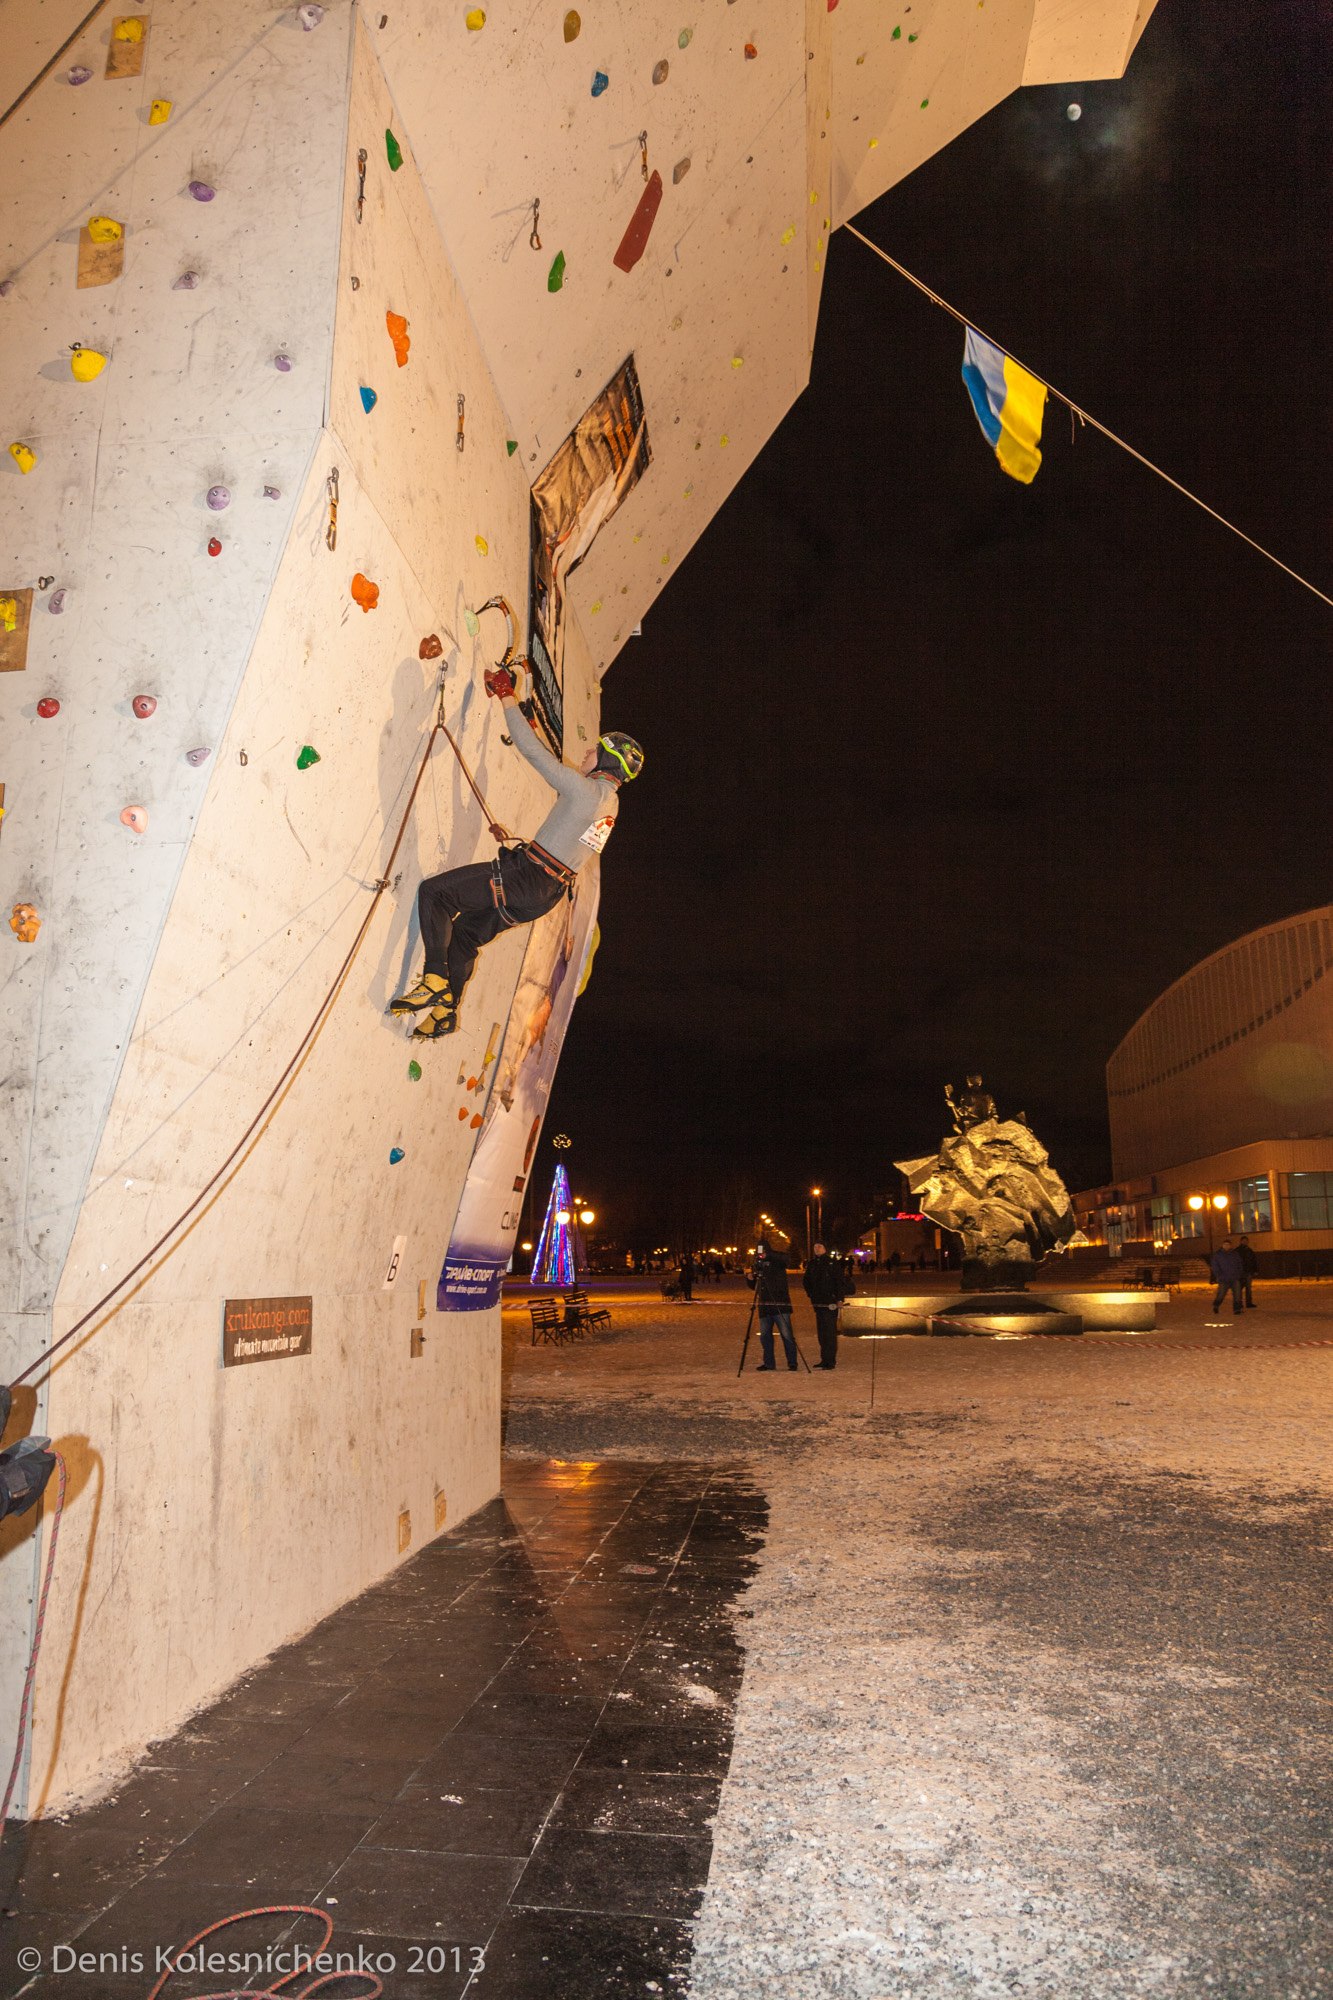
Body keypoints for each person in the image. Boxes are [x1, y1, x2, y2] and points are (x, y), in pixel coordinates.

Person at [390, 662, 643, 1040]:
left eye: (597, 749)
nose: (588, 751)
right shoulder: (610, 805)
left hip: (526, 878)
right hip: (544, 892)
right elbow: (568, 839)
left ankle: (435, 980)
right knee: (464, 935)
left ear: (607, 761)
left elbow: (530, 750)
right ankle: (445, 1012)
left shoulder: (586, 792)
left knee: (435, 893)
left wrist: (507, 695)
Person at [749, 1242, 797, 1371]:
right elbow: (754, 1285)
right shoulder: (758, 1263)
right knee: (765, 1336)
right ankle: (769, 1363)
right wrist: (750, 1278)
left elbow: (786, 1259)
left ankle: (792, 1362)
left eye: (763, 1251)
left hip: (780, 1303)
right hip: (764, 1304)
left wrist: (769, 1255)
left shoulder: (777, 1261)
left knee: (786, 1335)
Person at [802, 1242, 849, 1370]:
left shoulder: (832, 1263)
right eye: (815, 1247)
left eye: (820, 1246)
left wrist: (839, 1299)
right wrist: (811, 1294)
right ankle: (824, 1359)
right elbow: (806, 1281)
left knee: (829, 1333)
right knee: (822, 1333)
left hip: (830, 1302)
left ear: (825, 1248)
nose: (817, 1249)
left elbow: (839, 1282)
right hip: (818, 1302)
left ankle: (830, 1360)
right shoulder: (812, 1264)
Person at [1208, 1237, 1244, 1318]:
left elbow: (1240, 1264)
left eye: (1228, 1245)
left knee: (1238, 1294)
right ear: (1222, 1245)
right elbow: (1215, 1266)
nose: (1227, 1246)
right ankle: (1216, 1305)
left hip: (1235, 1278)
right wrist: (1219, 1275)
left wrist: (1239, 1274)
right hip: (1224, 1279)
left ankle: (1237, 1309)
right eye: (1225, 1245)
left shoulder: (1235, 1254)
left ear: (1231, 1246)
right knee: (1221, 1294)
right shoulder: (1218, 1255)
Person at [1235, 1233, 1259, 1309]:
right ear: (1241, 1241)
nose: (1245, 1242)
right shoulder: (1237, 1251)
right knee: (1240, 1288)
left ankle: (1248, 1303)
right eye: (1244, 1241)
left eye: (1246, 1241)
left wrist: (1255, 1270)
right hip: (1240, 1273)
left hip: (1248, 1272)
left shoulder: (1249, 1251)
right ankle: (1239, 1303)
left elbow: (1254, 1261)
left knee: (1248, 1288)